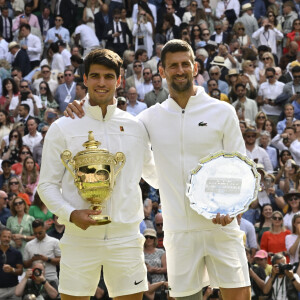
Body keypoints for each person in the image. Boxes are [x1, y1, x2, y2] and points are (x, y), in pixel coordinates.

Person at [65, 39, 252, 300]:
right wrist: (83, 106)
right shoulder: (148, 118)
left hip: (221, 226)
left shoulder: (223, 111)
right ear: (162, 71)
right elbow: (110, 126)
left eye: (185, 64)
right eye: (172, 66)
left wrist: (231, 207)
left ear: (195, 67)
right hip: (178, 232)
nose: (180, 70)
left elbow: (241, 167)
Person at [38, 48, 158, 300]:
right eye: (95, 76)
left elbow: (156, 176)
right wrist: (70, 213)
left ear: (119, 80)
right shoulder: (63, 127)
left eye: (108, 76)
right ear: (84, 79)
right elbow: (46, 185)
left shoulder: (136, 127)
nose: (101, 83)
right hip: (79, 237)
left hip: (126, 237)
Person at [23, 219, 60, 284]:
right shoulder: (29, 245)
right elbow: (25, 265)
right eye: (35, 233)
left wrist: (46, 259)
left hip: (50, 278)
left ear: (45, 229)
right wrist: (32, 260)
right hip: (34, 279)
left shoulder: (55, 242)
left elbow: (60, 261)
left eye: (40, 233)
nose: (37, 235)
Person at [0, 228, 23, 300]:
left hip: (14, 288)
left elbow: (20, 271)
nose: (6, 239)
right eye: (4, 236)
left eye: (9, 237)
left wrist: (12, 270)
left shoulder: (16, 253)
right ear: (0, 237)